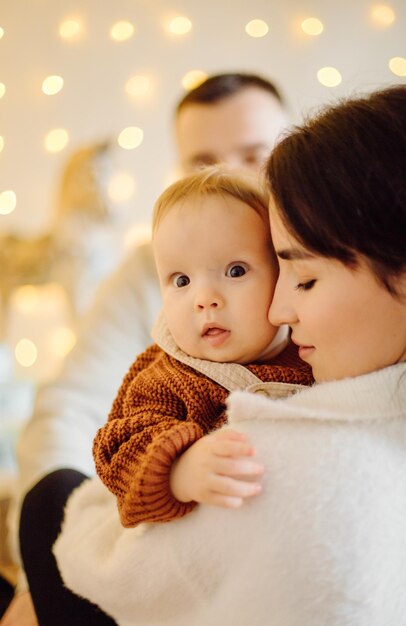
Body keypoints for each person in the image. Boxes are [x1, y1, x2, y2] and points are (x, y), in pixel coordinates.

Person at [54, 84, 406, 625]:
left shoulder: (315, 451)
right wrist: (172, 469)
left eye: (304, 277)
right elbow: (94, 420)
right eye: (177, 281)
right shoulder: (168, 357)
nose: (279, 309)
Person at [2, 73, 288, 626]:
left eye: (254, 155)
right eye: (203, 163)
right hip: (166, 519)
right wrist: (40, 575)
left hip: (270, 534)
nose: (228, 176)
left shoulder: (321, 257)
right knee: (49, 504)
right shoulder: (148, 273)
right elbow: (75, 406)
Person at [93, 167, 312, 528]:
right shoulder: (166, 377)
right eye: (181, 280)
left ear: (281, 272)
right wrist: (179, 471)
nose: (205, 299)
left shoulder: (311, 346)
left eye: (236, 271)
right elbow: (119, 450)